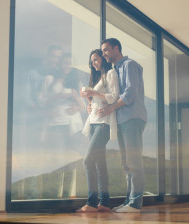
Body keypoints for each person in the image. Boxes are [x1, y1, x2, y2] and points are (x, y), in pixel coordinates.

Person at [98, 38, 147, 213]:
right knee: (126, 163)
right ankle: (129, 203)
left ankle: (135, 204)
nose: (104, 54)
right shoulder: (115, 70)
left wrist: (112, 107)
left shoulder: (129, 65)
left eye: (106, 50)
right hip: (122, 120)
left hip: (132, 118)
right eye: (102, 51)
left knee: (133, 162)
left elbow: (130, 93)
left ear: (116, 48)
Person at [76, 49, 119, 212]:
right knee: (99, 163)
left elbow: (114, 96)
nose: (93, 63)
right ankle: (104, 203)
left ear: (103, 59)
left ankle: (92, 203)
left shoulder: (111, 73)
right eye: (91, 60)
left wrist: (94, 92)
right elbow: (98, 100)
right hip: (93, 122)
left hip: (104, 123)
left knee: (88, 160)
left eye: (96, 59)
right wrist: (89, 103)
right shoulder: (96, 77)